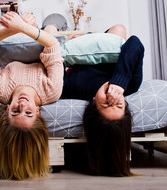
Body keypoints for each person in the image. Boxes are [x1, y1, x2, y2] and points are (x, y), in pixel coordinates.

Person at [0, 11, 64, 180]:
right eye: (28, 113)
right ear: (37, 112)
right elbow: (53, 46)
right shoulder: (51, 92)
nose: (22, 105)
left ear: (6, 111)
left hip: (17, 36)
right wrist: (23, 26)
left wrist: (15, 28)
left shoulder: (0, 90)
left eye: (15, 112)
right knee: (51, 29)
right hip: (41, 38)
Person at [61, 24, 145, 176]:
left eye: (106, 103)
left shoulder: (75, 88)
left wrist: (68, 44)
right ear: (125, 103)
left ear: (93, 102)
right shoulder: (130, 85)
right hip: (108, 49)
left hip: (81, 52)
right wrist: (120, 81)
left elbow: (58, 69)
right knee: (120, 29)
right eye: (118, 104)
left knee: (52, 33)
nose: (112, 96)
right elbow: (135, 43)